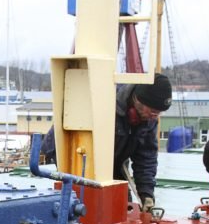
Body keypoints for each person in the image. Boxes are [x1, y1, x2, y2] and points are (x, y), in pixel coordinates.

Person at [40, 73, 172, 212]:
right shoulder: (106, 101)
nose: (155, 116)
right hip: (75, 154)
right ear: (138, 100)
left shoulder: (148, 120)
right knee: (83, 206)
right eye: (153, 111)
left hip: (113, 161)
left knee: (121, 207)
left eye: (159, 113)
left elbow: (146, 158)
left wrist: (146, 194)